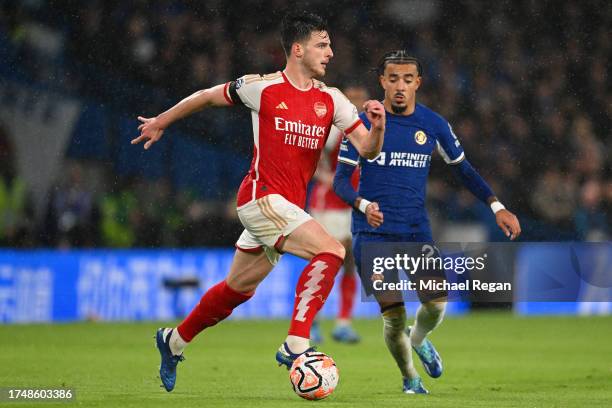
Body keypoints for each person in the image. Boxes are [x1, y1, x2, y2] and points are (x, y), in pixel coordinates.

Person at [132, 12, 386, 392]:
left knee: (236, 291)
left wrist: (378, 128)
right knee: (331, 251)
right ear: (297, 50)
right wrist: (162, 121)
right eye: (323, 44)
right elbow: (205, 97)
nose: (331, 52)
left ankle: (173, 341)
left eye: (330, 45)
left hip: (287, 208)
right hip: (260, 198)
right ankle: (296, 343)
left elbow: (367, 148)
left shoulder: (331, 100)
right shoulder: (261, 88)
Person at [333, 50, 521, 394]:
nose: (400, 86)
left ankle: (418, 340)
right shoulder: (361, 123)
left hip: (415, 231)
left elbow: (464, 170)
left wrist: (497, 207)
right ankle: (410, 377)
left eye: (407, 79)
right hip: (372, 235)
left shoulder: (433, 124)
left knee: (436, 305)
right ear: (382, 82)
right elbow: (340, 181)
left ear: (418, 83)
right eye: (393, 79)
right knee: (394, 317)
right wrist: (361, 204)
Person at [308, 85, 368, 344]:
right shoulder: (333, 128)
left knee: (350, 263)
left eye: (360, 99)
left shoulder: (367, 128)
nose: (356, 104)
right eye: (351, 99)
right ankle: (311, 321)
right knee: (326, 261)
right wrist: (327, 178)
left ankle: (343, 323)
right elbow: (313, 157)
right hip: (329, 204)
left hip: (353, 202)